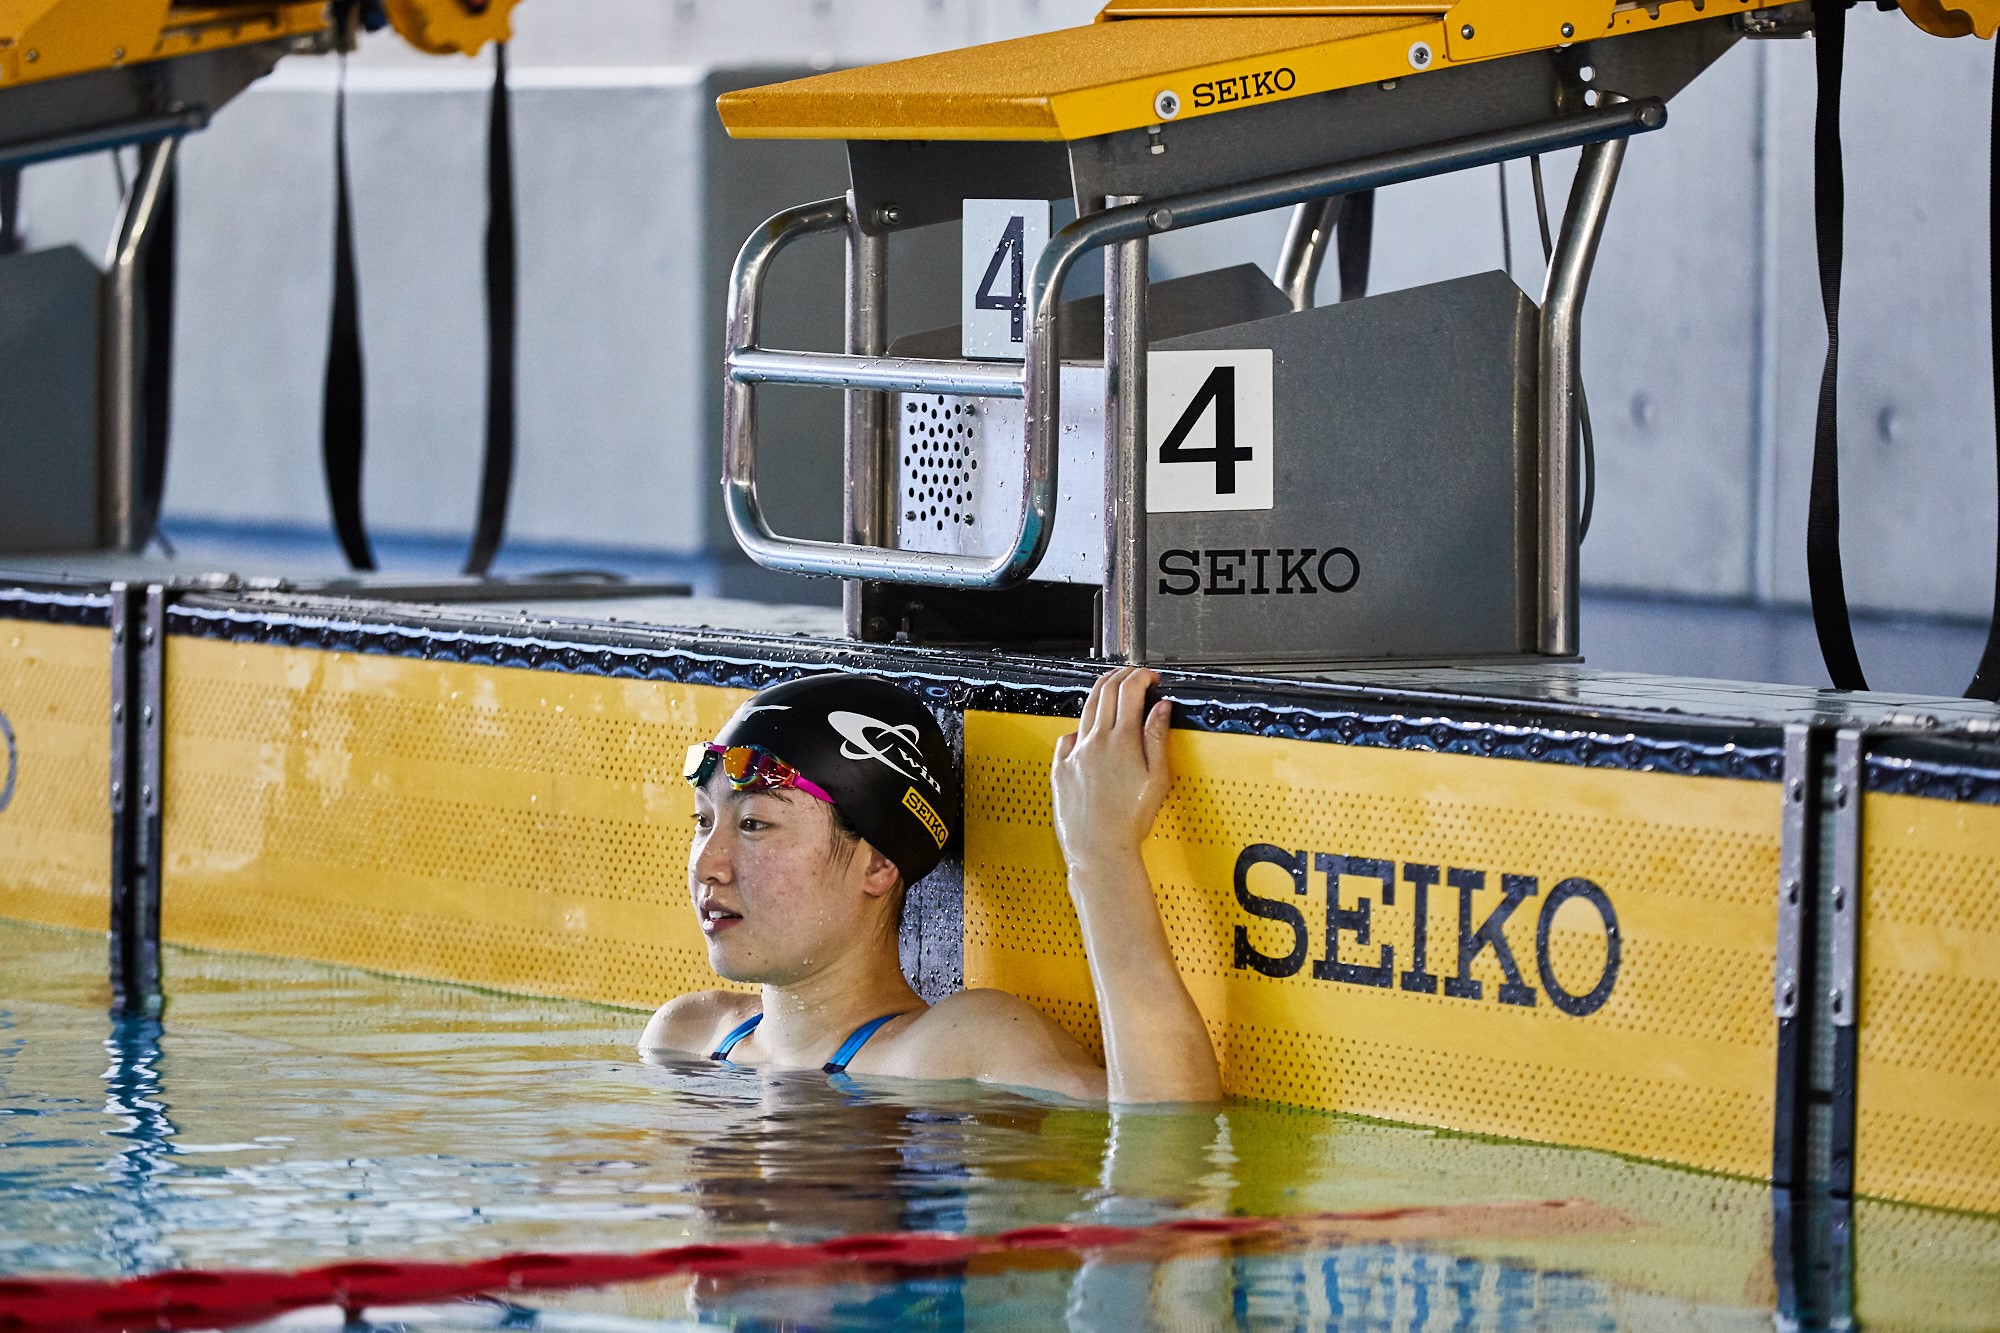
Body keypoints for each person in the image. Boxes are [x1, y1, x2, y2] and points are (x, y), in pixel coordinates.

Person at [640, 666, 1222, 1104]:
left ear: (877, 866)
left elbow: (1165, 1135)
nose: (708, 864)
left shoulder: (957, 1051)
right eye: (703, 822)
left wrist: (1103, 853)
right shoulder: (685, 1038)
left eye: (754, 824)